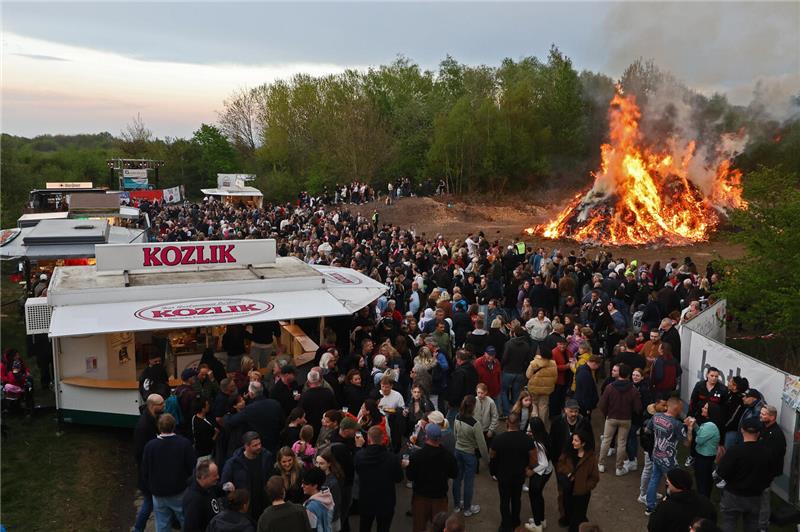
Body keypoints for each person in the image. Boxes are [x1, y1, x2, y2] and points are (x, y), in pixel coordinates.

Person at [716, 418, 774, 532]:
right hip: (755, 496)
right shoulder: (766, 452)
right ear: (758, 433)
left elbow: (721, 472)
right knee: (752, 524)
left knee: (729, 522)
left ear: (742, 430)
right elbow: (770, 474)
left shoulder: (735, 450)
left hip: (733, 495)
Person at [141, 413, 197, 532]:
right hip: (179, 490)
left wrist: (150, 486)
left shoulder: (150, 446)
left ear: (159, 427)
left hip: (158, 493)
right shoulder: (184, 444)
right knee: (185, 519)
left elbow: (145, 470)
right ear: (174, 426)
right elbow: (192, 466)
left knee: (162, 522)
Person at [406, 423, 459, 532]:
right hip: (440, 498)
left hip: (420, 498)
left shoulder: (417, 456)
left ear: (426, 436)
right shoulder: (448, 456)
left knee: (419, 527)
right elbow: (454, 474)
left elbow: (410, 477)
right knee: (439, 528)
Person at [489, 412, 536, 532]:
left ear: (506, 423)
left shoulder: (498, 439)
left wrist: (493, 472)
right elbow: (533, 459)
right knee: (516, 498)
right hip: (519, 475)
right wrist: (528, 469)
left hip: (503, 475)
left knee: (504, 500)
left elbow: (492, 457)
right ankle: (515, 521)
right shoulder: (527, 440)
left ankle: (505, 525)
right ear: (519, 424)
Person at [645, 396, 692, 516]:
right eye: (680, 409)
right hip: (668, 459)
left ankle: (649, 507)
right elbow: (687, 443)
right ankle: (670, 508)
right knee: (673, 483)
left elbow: (647, 430)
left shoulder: (656, 416)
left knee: (654, 479)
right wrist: (690, 428)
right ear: (676, 410)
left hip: (656, 454)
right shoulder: (676, 424)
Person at [354, 425, 404, 532]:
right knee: (383, 528)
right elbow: (399, 478)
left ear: (368, 439)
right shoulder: (392, 458)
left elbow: (357, 470)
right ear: (383, 439)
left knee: (364, 527)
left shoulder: (360, 455)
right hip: (386, 501)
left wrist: (358, 447)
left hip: (366, 499)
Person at [597, 363, 641, 476]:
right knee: (622, 443)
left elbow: (602, 404)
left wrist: (608, 414)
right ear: (628, 375)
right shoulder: (633, 389)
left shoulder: (610, 387)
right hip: (626, 419)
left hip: (611, 417)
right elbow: (638, 408)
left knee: (606, 440)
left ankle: (601, 464)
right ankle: (619, 468)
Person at [221, 431, 274, 520]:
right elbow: (223, 484)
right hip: (244, 508)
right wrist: (228, 486)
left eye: (259, 444)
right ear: (246, 446)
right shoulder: (233, 463)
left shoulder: (266, 457)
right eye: (255, 445)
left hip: (264, 505)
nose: (259, 447)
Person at [451, 395, 489, 516]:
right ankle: (467, 509)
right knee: (468, 482)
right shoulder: (475, 424)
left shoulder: (457, 417)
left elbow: (455, 435)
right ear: (473, 407)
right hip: (469, 454)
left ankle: (457, 506)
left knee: (457, 479)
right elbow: (482, 444)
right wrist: (487, 460)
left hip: (458, 451)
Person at [647, 468, 716, 532]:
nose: (667, 485)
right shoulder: (705, 502)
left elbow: (653, 527)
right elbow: (712, 523)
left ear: (675, 485)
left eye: (668, 483)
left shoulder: (665, 507)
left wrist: (661, 506)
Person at [133, 393, 165, 532]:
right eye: (161, 404)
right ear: (152, 406)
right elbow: (139, 453)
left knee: (150, 502)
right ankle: (138, 528)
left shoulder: (152, 419)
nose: (164, 406)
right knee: (149, 503)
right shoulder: (144, 426)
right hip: (147, 473)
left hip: (150, 472)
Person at [556, 431, 599, 532]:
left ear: (583, 443)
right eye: (573, 440)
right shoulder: (567, 452)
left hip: (581, 494)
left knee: (577, 517)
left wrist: (585, 487)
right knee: (568, 509)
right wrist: (568, 473)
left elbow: (594, 477)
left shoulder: (590, 458)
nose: (573, 442)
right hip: (568, 490)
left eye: (576, 440)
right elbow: (560, 465)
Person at [226, 383, 285, 455]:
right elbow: (282, 423)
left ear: (251, 394)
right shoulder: (275, 403)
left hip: (259, 447)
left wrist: (228, 413)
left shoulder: (249, 409)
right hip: (276, 443)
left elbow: (231, 421)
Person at [759, 404, 787, 531]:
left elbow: (773, 456)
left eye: (763, 414)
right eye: (761, 413)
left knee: (764, 498)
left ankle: (763, 525)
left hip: (766, 472)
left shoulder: (776, 434)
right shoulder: (765, 427)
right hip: (762, 469)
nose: (760, 415)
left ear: (772, 417)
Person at [526, 417, 553, 532]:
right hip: (547, 471)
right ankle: (541, 520)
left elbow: (543, 463)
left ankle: (537, 525)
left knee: (534, 496)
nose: (528, 430)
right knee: (538, 496)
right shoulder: (545, 436)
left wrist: (531, 471)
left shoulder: (538, 443)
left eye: (530, 428)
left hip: (541, 473)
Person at [182, 458, 224, 532]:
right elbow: (191, 528)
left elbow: (218, 490)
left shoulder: (209, 486)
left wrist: (226, 488)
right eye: (214, 475)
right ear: (203, 477)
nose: (218, 477)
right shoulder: (193, 500)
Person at [690, 402, 721, 498]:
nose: (702, 408)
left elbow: (698, 440)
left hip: (704, 459)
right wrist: (695, 425)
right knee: (704, 483)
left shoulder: (710, 426)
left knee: (703, 484)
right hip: (706, 458)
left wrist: (690, 428)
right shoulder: (709, 424)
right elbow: (701, 432)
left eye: (705, 408)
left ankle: (703, 504)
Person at [501, 326, 533, 418]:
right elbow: (528, 359)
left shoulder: (509, 344)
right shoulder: (526, 345)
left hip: (508, 371)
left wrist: (502, 366)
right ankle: (515, 412)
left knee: (504, 391)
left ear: (514, 333)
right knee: (516, 393)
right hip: (519, 372)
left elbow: (505, 358)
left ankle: (506, 412)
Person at [525, 345, 557, 426]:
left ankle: (534, 423)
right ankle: (542, 424)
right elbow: (555, 377)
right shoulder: (553, 364)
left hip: (533, 388)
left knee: (534, 405)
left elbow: (528, 375)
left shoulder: (534, 363)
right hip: (547, 390)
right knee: (544, 406)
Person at [301, 369, 338, 438]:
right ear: (320, 380)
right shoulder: (328, 392)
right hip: (327, 425)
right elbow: (335, 408)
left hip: (311, 426)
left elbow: (301, 411)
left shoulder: (305, 396)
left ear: (308, 382)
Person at [446, 350, 479, 427]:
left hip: (458, 403)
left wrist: (451, 402)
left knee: (450, 423)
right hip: (469, 400)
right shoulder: (472, 369)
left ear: (459, 359)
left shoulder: (459, 372)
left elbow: (456, 390)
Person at [315, 448, 345, 532]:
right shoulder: (319, 475)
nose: (317, 466)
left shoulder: (333, 483)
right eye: (316, 462)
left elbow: (335, 505)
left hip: (330, 521)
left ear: (329, 464)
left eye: (321, 463)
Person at [302, 467, 336, 532]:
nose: (302, 485)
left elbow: (311, 529)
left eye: (305, 483)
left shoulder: (311, 507)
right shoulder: (327, 495)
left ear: (315, 485)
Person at [473, 383, 499, 450]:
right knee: (477, 447)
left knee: (487, 447)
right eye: (478, 392)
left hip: (486, 430)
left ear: (486, 392)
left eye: (482, 393)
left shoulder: (491, 402)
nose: (480, 395)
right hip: (476, 430)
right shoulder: (473, 401)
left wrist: (491, 430)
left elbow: (495, 416)